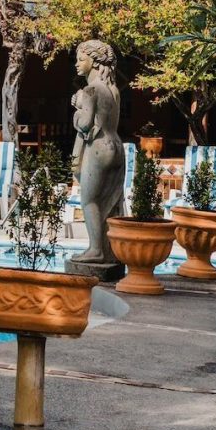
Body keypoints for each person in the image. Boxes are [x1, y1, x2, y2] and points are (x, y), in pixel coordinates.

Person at [69, 39, 122, 270]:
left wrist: (78, 108)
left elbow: (84, 124)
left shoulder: (90, 90)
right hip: (115, 145)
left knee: (89, 200)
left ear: (95, 62)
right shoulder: (113, 89)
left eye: (81, 59)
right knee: (108, 201)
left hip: (98, 147)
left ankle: (96, 249)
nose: (77, 64)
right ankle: (110, 250)